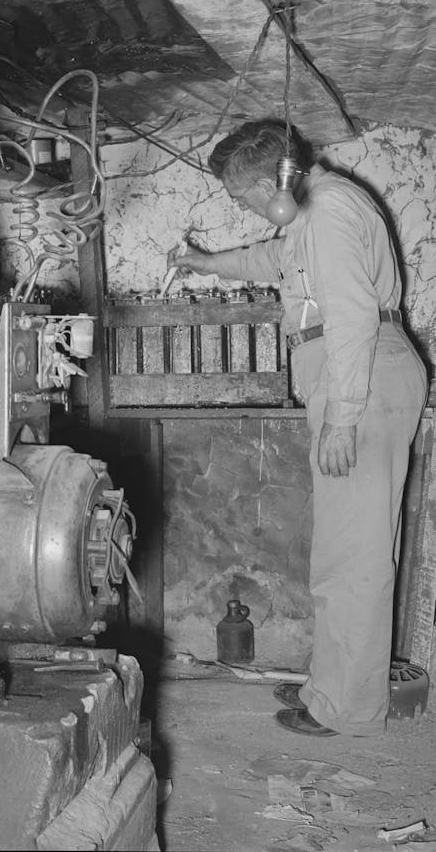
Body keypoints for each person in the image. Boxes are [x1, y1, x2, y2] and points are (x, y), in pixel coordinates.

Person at [168, 119, 428, 737]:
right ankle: (328, 687)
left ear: (269, 185)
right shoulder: (313, 213)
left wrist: (342, 417)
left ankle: (347, 708)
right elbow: (270, 258)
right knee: (342, 549)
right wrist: (205, 262)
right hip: (356, 375)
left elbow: (354, 316)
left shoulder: (330, 211)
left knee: (356, 556)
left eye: (241, 197)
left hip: (360, 377)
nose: (243, 207)